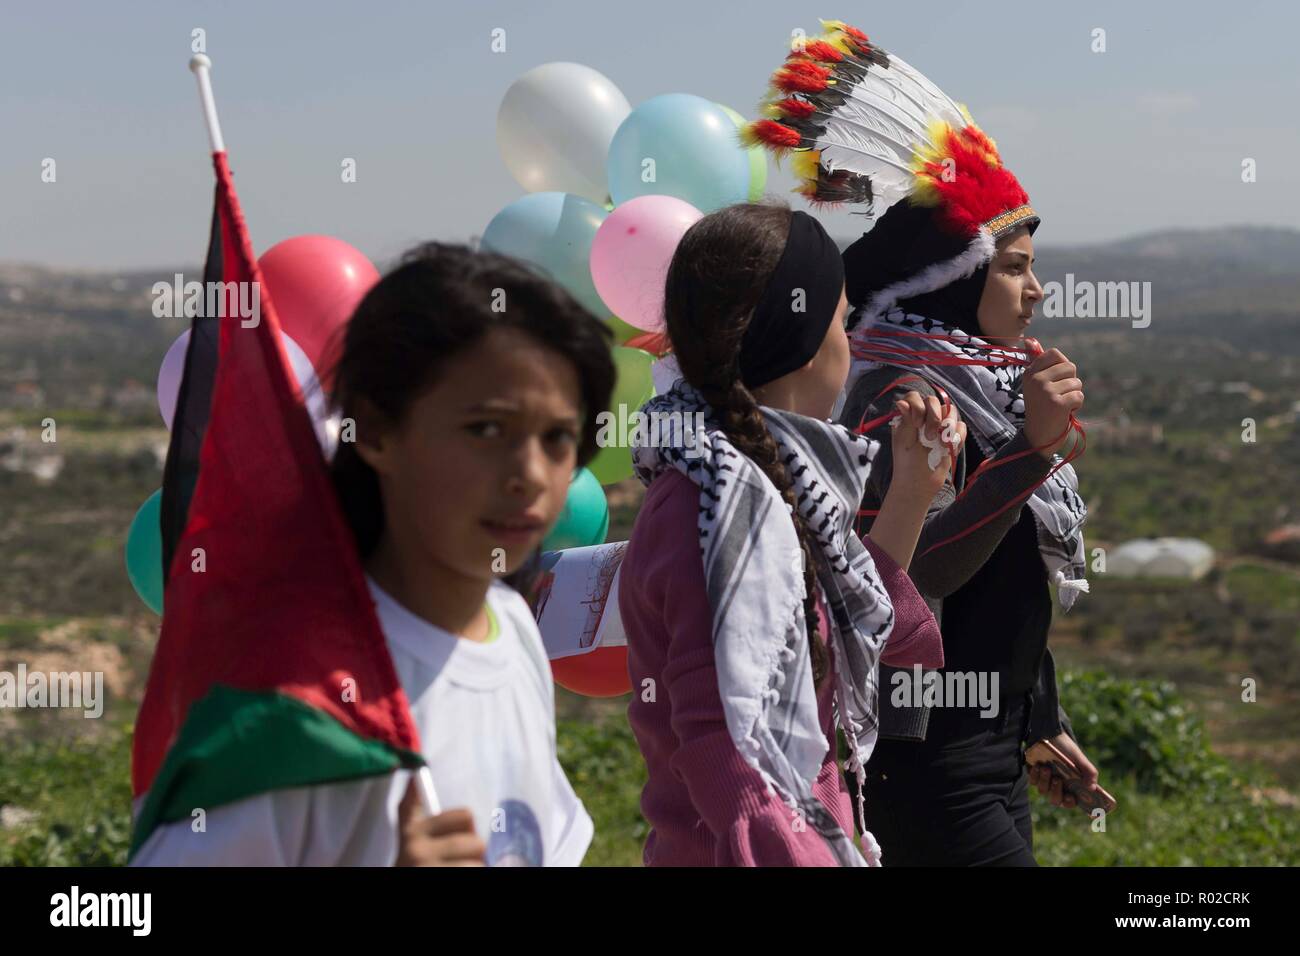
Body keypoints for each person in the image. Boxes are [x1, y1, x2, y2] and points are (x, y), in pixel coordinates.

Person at [744, 19, 1103, 865]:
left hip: (984, 754)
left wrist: (1034, 717)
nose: (1036, 290)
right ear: (953, 285)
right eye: (1012, 268)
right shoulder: (902, 399)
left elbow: (992, 594)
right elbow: (913, 574)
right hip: (925, 766)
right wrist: (1029, 452)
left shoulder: (977, 389)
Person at [133, 243, 615, 866]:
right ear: (378, 430)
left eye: (557, 438)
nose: (529, 474)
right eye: (486, 430)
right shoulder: (292, 701)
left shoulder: (513, 629)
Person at [619, 201, 957, 867]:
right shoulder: (722, 504)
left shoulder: (742, 482)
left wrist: (913, 493)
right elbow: (733, 755)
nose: (850, 344)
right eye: (840, 321)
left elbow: (876, 630)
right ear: (804, 341)